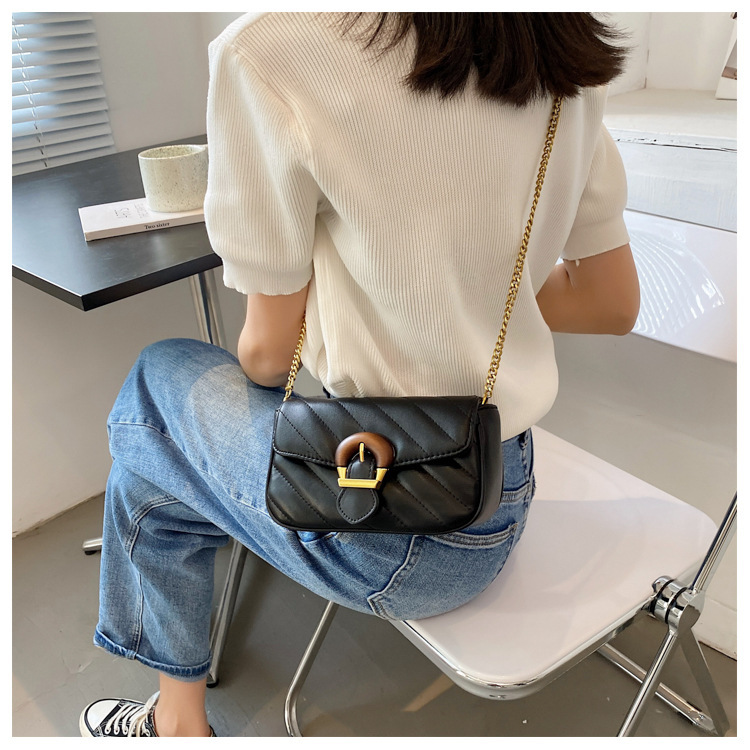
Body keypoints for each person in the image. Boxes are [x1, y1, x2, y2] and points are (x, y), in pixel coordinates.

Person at [79, 12, 639, 737]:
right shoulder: (559, 44)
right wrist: (462, 297)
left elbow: (266, 358)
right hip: (498, 491)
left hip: (382, 521)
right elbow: (610, 301)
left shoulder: (269, 50)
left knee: (156, 388)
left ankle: (178, 725)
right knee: (154, 470)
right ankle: (176, 719)